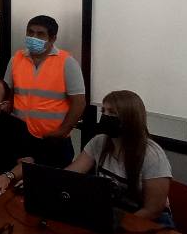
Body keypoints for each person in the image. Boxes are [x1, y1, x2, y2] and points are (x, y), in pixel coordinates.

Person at [66, 90, 173, 224]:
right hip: (114, 216)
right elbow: (70, 175)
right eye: (103, 111)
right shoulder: (99, 142)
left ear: (130, 118)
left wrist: (116, 224)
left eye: (112, 112)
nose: (105, 116)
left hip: (149, 223)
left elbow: (153, 210)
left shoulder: (152, 155)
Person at [4, 15, 86, 168]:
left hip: (53, 141)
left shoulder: (67, 62)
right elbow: (7, 95)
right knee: (18, 179)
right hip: (20, 138)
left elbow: (79, 103)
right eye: (30, 32)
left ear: (52, 38)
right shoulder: (16, 59)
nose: (33, 37)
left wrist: (63, 131)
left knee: (51, 181)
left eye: (40, 34)